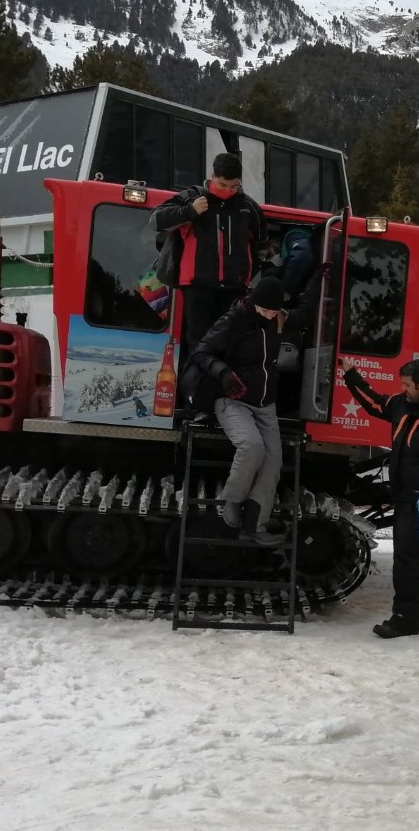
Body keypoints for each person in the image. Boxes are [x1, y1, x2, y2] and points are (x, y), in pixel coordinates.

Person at [341, 356, 419, 638]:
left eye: (408, 385)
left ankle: (405, 618)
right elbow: (372, 402)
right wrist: (351, 375)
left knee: (412, 558)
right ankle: (411, 616)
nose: (404, 389)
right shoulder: (400, 404)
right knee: (408, 558)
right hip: (405, 496)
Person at [190, 277, 288, 547]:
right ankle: (231, 501)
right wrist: (223, 373)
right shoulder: (233, 319)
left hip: (265, 404)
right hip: (232, 398)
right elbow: (201, 352)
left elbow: (305, 307)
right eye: (266, 310)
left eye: (274, 311)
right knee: (252, 447)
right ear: (255, 303)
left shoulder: (277, 320)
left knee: (273, 462)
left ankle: (254, 526)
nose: (269, 315)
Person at [151, 152, 267, 369]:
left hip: (234, 288)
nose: (228, 191)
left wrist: (247, 274)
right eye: (223, 185)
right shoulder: (192, 197)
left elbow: (260, 245)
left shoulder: (249, 208)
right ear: (213, 176)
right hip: (198, 286)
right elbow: (156, 220)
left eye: (233, 186)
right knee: (198, 344)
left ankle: (218, 394)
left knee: (228, 344)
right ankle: (195, 396)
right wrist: (190, 211)